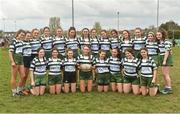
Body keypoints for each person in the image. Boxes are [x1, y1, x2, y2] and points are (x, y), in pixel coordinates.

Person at [9, 29, 26, 96]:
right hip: (15, 59)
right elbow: (10, 52)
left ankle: (19, 90)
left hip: (21, 60)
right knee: (14, 76)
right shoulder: (14, 41)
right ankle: (14, 92)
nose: (22, 36)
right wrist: (12, 62)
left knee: (23, 75)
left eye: (23, 35)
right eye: (21, 34)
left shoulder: (21, 42)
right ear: (18, 34)